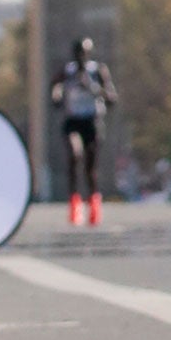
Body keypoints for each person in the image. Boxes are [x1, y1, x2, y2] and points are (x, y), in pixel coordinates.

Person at [50, 37, 116, 226]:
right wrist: (57, 94)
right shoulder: (67, 71)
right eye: (78, 54)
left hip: (91, 120)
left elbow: (111, 97)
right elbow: (55, 89)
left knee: (90, 166)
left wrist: (94, 88)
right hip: (73, 120)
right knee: (74, 155)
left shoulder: (97, 71)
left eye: (84, 54)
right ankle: (74, 203)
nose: (81, 58)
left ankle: (94, 204)